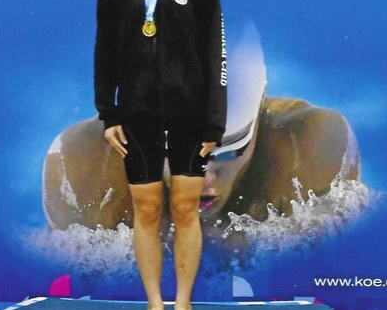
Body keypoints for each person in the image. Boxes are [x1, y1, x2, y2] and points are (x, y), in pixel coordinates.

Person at [43, 23, 360, 234]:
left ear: (259, 112)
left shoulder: (311, 150)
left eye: (229, 151)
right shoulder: (82, 167)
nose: (202, 178)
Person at [91, 0, 226, 310]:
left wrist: (214, 121)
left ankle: (183, 307)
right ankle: (154, 307)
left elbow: (215, 53)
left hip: (190, 112)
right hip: (136, 111)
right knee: (146, 209)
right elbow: (104, 50)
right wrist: (108, 113)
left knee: (186, 208)